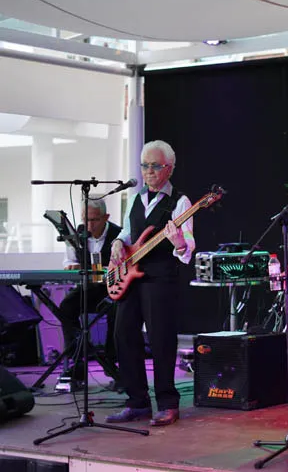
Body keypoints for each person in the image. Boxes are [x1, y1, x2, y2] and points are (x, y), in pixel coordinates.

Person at [106, 140, 195, 427]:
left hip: (161, 278)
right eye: (145, 165)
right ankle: (137, 402)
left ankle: (168, 404)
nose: (148, 171)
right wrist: (117, 242)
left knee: (161, 340)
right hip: (131, 276)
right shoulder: (135, 198)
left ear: (170, 168)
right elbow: (128, 232)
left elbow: (187, 247)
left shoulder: (180, 202)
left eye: (155, 166)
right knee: (123, 335)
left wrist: (179, 243)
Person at [59, 197, 121, 386]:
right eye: (85, 219)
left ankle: (111, 362)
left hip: (114, 288)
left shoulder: (119, 234)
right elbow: (69, 260)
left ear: (106, 217)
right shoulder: (77, 234)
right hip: (90, 288)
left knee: (117, 311)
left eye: (94, 220)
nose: (89, 225)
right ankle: (77, 361)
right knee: (66, 308)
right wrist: (71, 265)